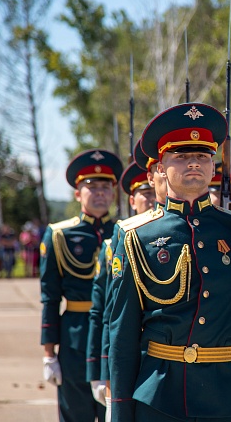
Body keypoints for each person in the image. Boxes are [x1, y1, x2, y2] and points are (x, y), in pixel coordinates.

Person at [108, 103, 231, 422]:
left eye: (203, 156)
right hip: (159, 396)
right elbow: (122, 331)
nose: (193, 163)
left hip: (226, 395)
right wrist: (121, 408)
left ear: (213, 167)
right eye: (181, 156)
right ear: (161, 167)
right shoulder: (134, 235)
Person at [40, 148, 123, 422]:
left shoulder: (127, 232)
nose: (99, 193)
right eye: (91, 186)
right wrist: (49, 353)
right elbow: (49, 296)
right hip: (76, 332)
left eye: (105, 187)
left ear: (113, 193)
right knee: (76, 413)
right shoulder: (59, 234)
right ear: (77, 193)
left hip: (116, 331)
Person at [87, 159, 156, 418]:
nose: (150, 200)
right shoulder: (117, 241)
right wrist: (103, 373)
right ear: (132, 200)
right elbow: (107, 317)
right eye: (144, 193)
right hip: (129, 354)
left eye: (153, 193)